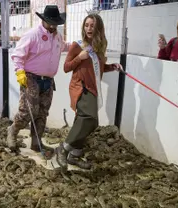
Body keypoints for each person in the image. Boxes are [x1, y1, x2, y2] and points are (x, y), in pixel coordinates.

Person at [55, 13, 122, 170]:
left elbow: (98, 68)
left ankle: (75, 155)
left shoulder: (99, 47)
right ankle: (63, 149)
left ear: (98, 27)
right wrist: (79, 57)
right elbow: (66, 68)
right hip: (80, 86)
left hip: (92, 88)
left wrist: (113, 67)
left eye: (92, 25)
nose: (89, 28)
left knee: (89, 122)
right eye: (86, 25)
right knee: (88, 119)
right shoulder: (77, 46)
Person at [8, 5, 69, 156]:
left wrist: (77, 45)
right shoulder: (32, 34)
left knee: (42, 112)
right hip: (31, 78)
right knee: (27, 111)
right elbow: (17, 55)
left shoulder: (57, 36)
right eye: (51, 22)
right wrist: (20, 72)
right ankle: (12, 131)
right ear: (44, 20)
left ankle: (36, 142)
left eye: (56, 23)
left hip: (48, 80)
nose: (54, 26)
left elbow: (64, 47)